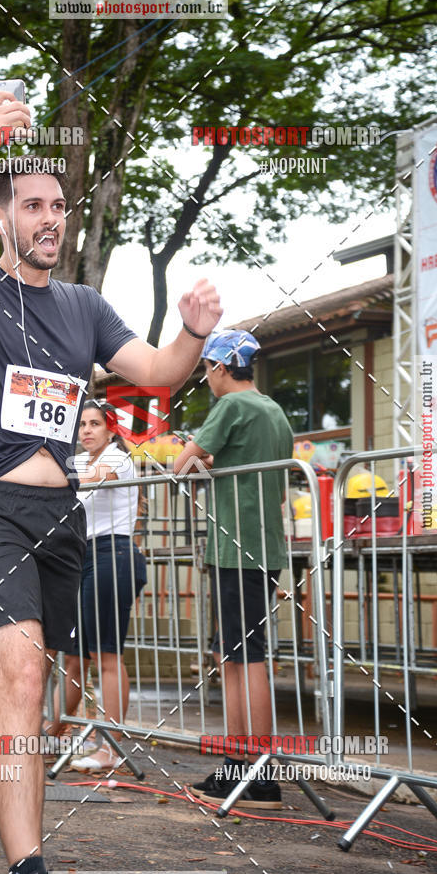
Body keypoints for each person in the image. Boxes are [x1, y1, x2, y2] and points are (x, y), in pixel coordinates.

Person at [0, 89, 222, 874]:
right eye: (34, 205)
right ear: (4, 218)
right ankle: (30, 871)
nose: (52, 217)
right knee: (20, 681)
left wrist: (191, 330)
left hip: (60, 519)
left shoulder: (84, 306)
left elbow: (156, 374)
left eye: (60, 205)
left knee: (21, 691)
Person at [174, 330, 293, 809]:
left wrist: (199, 452)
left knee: (245, 658)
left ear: (221, 367)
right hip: (265, 544)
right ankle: (240, 764)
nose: (206, 379)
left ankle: (256, 771)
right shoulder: (275, 411)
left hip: (235, 546)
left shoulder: (230, 408)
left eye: (206, 369)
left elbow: (180, 467)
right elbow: (280, 489)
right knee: (239, 655)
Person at [46, 401, 147, 771]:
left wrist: (52, 478)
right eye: (82, 425)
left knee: (107, 656)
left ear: (109, 429)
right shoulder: (75, 462)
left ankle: (111, 746)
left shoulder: (118, 458)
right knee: (73, 658)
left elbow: (100, 476)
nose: (87, 430)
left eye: (94, 424)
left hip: (113, 555)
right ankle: (51, 735)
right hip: (81, 557)